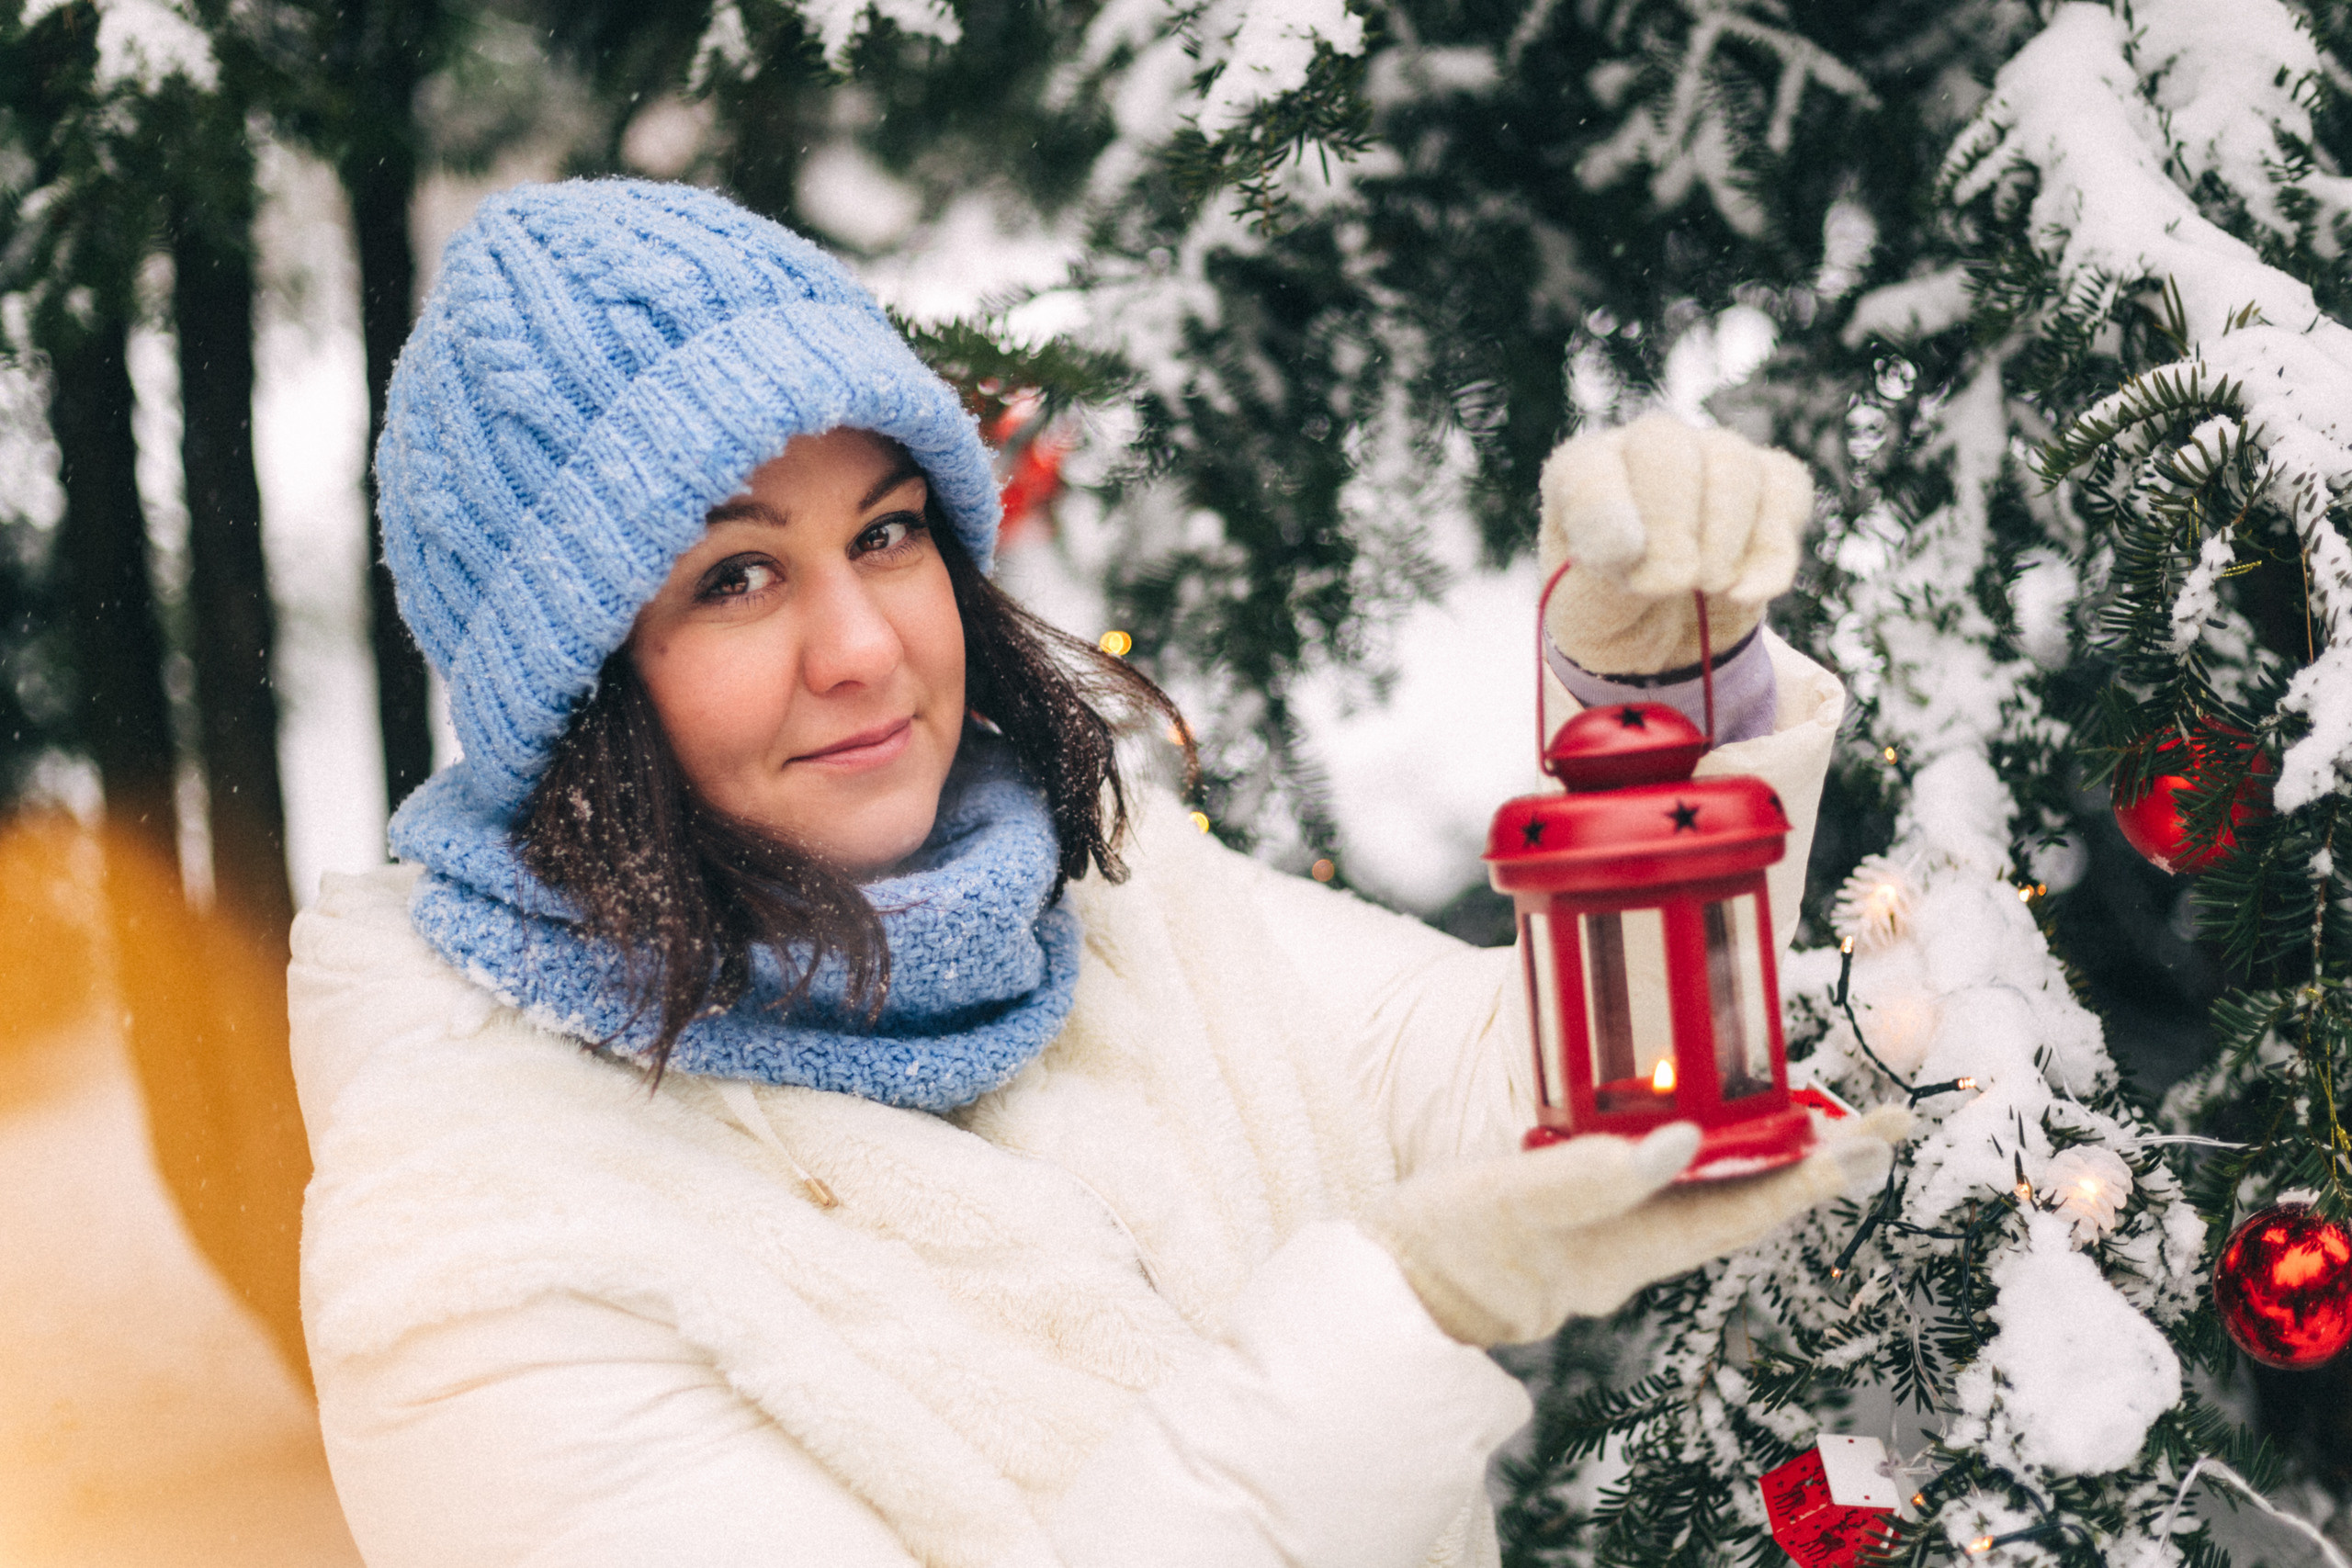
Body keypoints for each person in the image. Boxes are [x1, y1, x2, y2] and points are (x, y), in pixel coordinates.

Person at [288, 179, 1902, 1568]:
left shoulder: (1100, 908)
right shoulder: (478, 1246)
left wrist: (1658, 720)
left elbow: (1573, 1081)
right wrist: (1386, 1322)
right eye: (735, 577)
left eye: (885, 533)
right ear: (576, 691)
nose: (862, 649)